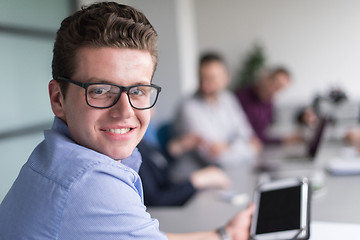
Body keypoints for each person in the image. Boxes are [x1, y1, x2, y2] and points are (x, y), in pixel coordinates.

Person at [0, 2, 253, 239]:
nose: (124, 111)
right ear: (58, 99)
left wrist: (225, 234)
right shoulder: (89, 184)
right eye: (100, 90)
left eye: (138, 91)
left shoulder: (54, 159)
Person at [169, 52, 262, 181]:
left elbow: (249, 137)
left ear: (226, 77)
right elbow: (215, 158)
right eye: (202, 79)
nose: (205, 86)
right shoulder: (188, 107)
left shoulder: (229, 99)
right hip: (192, 183)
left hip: (228, 174)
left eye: (211, 79)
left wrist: (228, 146)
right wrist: (248, 149)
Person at [138, 122, 231, 207]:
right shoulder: (134, 153)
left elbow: (160, 171)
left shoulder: (144, 144)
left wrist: (179, 147)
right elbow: (154, 201)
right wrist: (197, 180)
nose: (154, 111)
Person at [236, 67, 303, 145]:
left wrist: (284, 139)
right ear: (267, 78)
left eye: (280, 87)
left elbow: (259, 137)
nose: (276, 88)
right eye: (275, 82)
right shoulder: (241, 97)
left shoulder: (269, 104)